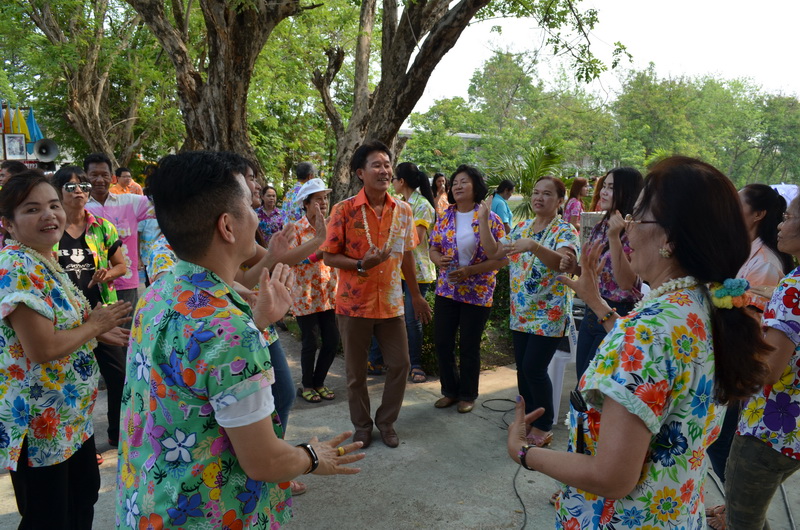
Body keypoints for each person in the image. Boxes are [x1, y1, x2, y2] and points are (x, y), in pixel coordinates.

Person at [506, 156, 769, 529]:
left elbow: (611, 476)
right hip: (676, 514)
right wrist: (597, 303)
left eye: (637, 217)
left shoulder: (650, 331)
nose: (626, 229)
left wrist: (522, 451)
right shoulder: (704, 304)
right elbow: (653, 360)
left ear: (670, 239)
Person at [115, 151, 364, 529]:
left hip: (150, 504)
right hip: (207, 514)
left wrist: (257, 321)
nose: (256, 215)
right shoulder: (230, 331)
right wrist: (313, 456)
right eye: (249, 205)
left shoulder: (158, 293)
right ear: (227, 226)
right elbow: (265, 461)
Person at [0, 171, 131, 528]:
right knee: (49, 517)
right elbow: (41, 348)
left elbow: (59, 323)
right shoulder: (17, 266)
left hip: (69, 417)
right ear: (8, 224)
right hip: (40, 423)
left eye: (53, 205)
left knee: (81, 500)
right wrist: (95, 327)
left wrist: (98, 333)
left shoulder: (43, 258)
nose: (49, 215)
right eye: (32, 209)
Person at [321, 140, 432, 449]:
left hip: (392, 304)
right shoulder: (343, 210)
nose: (384, 171)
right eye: (377, 165)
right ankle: (361, 426)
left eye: (387, 165)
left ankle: (386, 422)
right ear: (361, 173)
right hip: (354, 305)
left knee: (401, 365)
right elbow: (329, 256)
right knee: (356, 374)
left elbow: (407, 255)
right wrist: (360, 264)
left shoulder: (404, 210)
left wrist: (416, 296)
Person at [479, 176, 579, 446]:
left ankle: (544, 425)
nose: (539, 198)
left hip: (550, 314)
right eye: (535, 192)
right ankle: (528, 418)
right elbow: (494, 252)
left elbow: (563, 263)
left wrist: (534, 246)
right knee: (523, 371)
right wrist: (484, 221)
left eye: (547, 194)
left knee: (534, 369)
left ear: (560, 200)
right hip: (521, 312)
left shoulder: (565, 230)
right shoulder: (522, 227)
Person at [722, 194, 800, 530]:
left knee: (742, 521)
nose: (780, 225)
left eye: (789, 217)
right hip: (791, 429)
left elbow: (769, 370)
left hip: (769, 429)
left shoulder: (792, 287)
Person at [53, 166, 130, 451]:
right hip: (66, 320)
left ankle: (117, 435)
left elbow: (122, 265)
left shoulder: (103, 227)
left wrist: (107, 273)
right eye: (72, 187)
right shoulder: (49, 228)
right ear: (58, 191)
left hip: (102, 315)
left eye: (83, 187)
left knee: (118, 376)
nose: (79, 192)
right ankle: (79, 445)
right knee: (73, 381)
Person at [429, 165, 507, 414]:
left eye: (464, 182)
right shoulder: (445, 216)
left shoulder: (489, 218)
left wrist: (471, 271)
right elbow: (433, 247)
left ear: (476, 187)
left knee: (469, 345)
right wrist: (438, 260)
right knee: (443, 341)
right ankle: (450, 391)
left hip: (477, 291)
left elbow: (502, 259)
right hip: (447, 289)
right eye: (454, 183)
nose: (458, 186)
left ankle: (467, 394)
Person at [560, 167, 644, 380]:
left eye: (611, 188)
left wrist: (615, 237)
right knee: (582, 382)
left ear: (628, 192)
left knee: (595, 386)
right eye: (604, 186)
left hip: (617, 313)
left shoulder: (635, 230)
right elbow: (591, 273)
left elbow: (626, 283)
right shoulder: (600, 226)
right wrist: (574, 268)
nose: (603, 192)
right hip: (592, 311)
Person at [367, 162, 437, 383]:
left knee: (411, 319)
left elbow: (416, 240)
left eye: (394, 178)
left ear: (402, 181)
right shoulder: (397, 203)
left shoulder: (422, 205)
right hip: (396, 269)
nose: (391, 182)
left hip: (417, 271)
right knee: (387, 315)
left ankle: (415, 364)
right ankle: (376, 360)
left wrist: (390, 234)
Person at [289, 178, 340, 403]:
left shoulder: (331, 227)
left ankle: (319, 382)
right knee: (310, 342)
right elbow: (292, 259)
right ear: (306, 204)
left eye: (325, 198)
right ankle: (307, 385)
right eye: (318, 199)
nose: (323, 203)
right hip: (305, 295)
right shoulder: (296, 229)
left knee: (332, 341)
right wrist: (316, 255)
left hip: (328, 293)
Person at [83, 153, 153, 314]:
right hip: (91, 284)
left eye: (104, 175)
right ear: (85, 177)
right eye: (94, 175)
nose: (99, 180)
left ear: (112, 178)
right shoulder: (80, 206)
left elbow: (163, 205)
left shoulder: (131, 202)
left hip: (125, 283)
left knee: (126, 328)